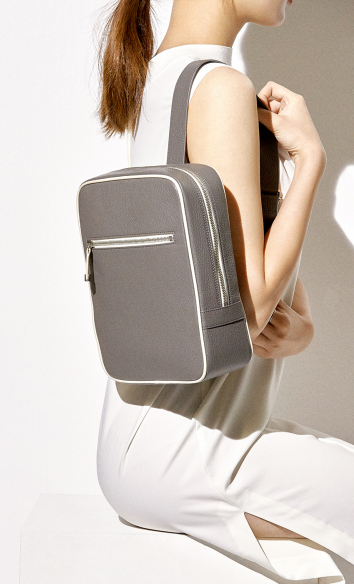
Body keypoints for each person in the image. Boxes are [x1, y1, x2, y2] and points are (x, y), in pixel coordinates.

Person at [94, 0, 354, 580]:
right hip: (190, 451)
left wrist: (298, 331)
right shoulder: (219, 90)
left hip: (157, 442)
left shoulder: (163, 78)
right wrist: (310, 160)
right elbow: (252, 310)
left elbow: (264, 306)